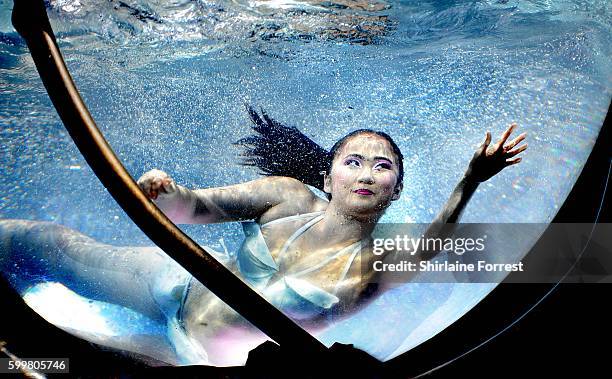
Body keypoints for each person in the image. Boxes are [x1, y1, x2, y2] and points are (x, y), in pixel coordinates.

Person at [0, 107, 527, 366]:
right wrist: (166, 192)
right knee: (55, 246)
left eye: (382, 166)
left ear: (394, 191)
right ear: (328, 177)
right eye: (353, 161)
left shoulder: (374, 265)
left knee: (52, 355)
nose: (366, 173)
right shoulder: (287, 196)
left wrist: (470, 182)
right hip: (177, 286)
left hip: (202, 357)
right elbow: (195, 209)